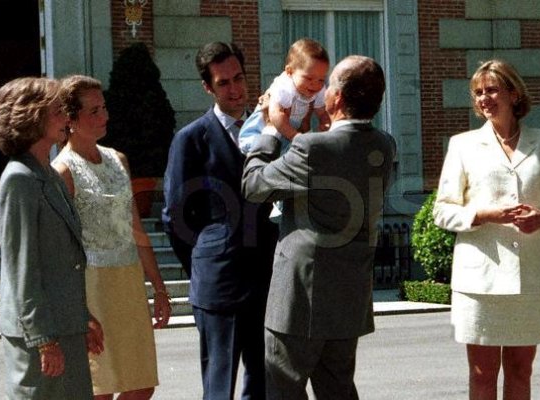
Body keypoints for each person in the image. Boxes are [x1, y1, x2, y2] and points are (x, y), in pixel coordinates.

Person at [242, 55, 396, 400]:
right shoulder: (384, 145)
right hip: (349, 295)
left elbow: (253, 186)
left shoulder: (312, 147)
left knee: (283, 388)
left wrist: (269, 128)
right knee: (338, 389)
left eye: (329, 85)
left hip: (301, 295)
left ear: (338, 98)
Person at [432, 59, 540, 400]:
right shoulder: (462, 145)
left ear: (513, 92)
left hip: (530, 278)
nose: (484, 98)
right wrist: (484, 214)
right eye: (478, 93)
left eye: (492, 90)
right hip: (480, 282)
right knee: (482, 376)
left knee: (522, 371)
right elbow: (442, 210)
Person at [162, 42, 278, 399]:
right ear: (208, 88)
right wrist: (204, 261)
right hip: (219, 283)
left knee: (265, 380)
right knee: (219, 384)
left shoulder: (270, 131)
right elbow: (176, 216)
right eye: (224, 82)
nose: (235, 89)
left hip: (268, 276)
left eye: (239, 78)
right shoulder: (190, 139)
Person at [52, 75, 171, 400]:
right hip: (93, 287)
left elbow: (135, 227)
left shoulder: (119, 160)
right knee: (99, 388)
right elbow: (61, 249)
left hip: (129, 281)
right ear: (70, 120)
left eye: (103, 108)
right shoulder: (62, 171)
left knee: (141, 382)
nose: (104, 116)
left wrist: (158, 287)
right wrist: (79, 310)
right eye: (93, 111)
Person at [0, 76, 104, 399]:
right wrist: (43, 340)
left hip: (65, 327)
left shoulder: (49, 174)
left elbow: (64, 260)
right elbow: (22, 268)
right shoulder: (19, 181)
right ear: (31, 118)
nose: (66, 117)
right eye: (56, 110)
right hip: (40, 335)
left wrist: (83, 317)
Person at [239, 38, 331, 222]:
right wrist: (297, 137)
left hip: (289, 131)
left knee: (288, 163)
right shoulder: (284, 87)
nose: (315, 85)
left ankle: (278, 205)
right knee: (267, 155)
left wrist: (326, 126)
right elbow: (275, 115)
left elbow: (323, 112)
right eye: (309, 78)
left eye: (321, 79)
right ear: (290, 72)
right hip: (265, 126)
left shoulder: (318, 90)